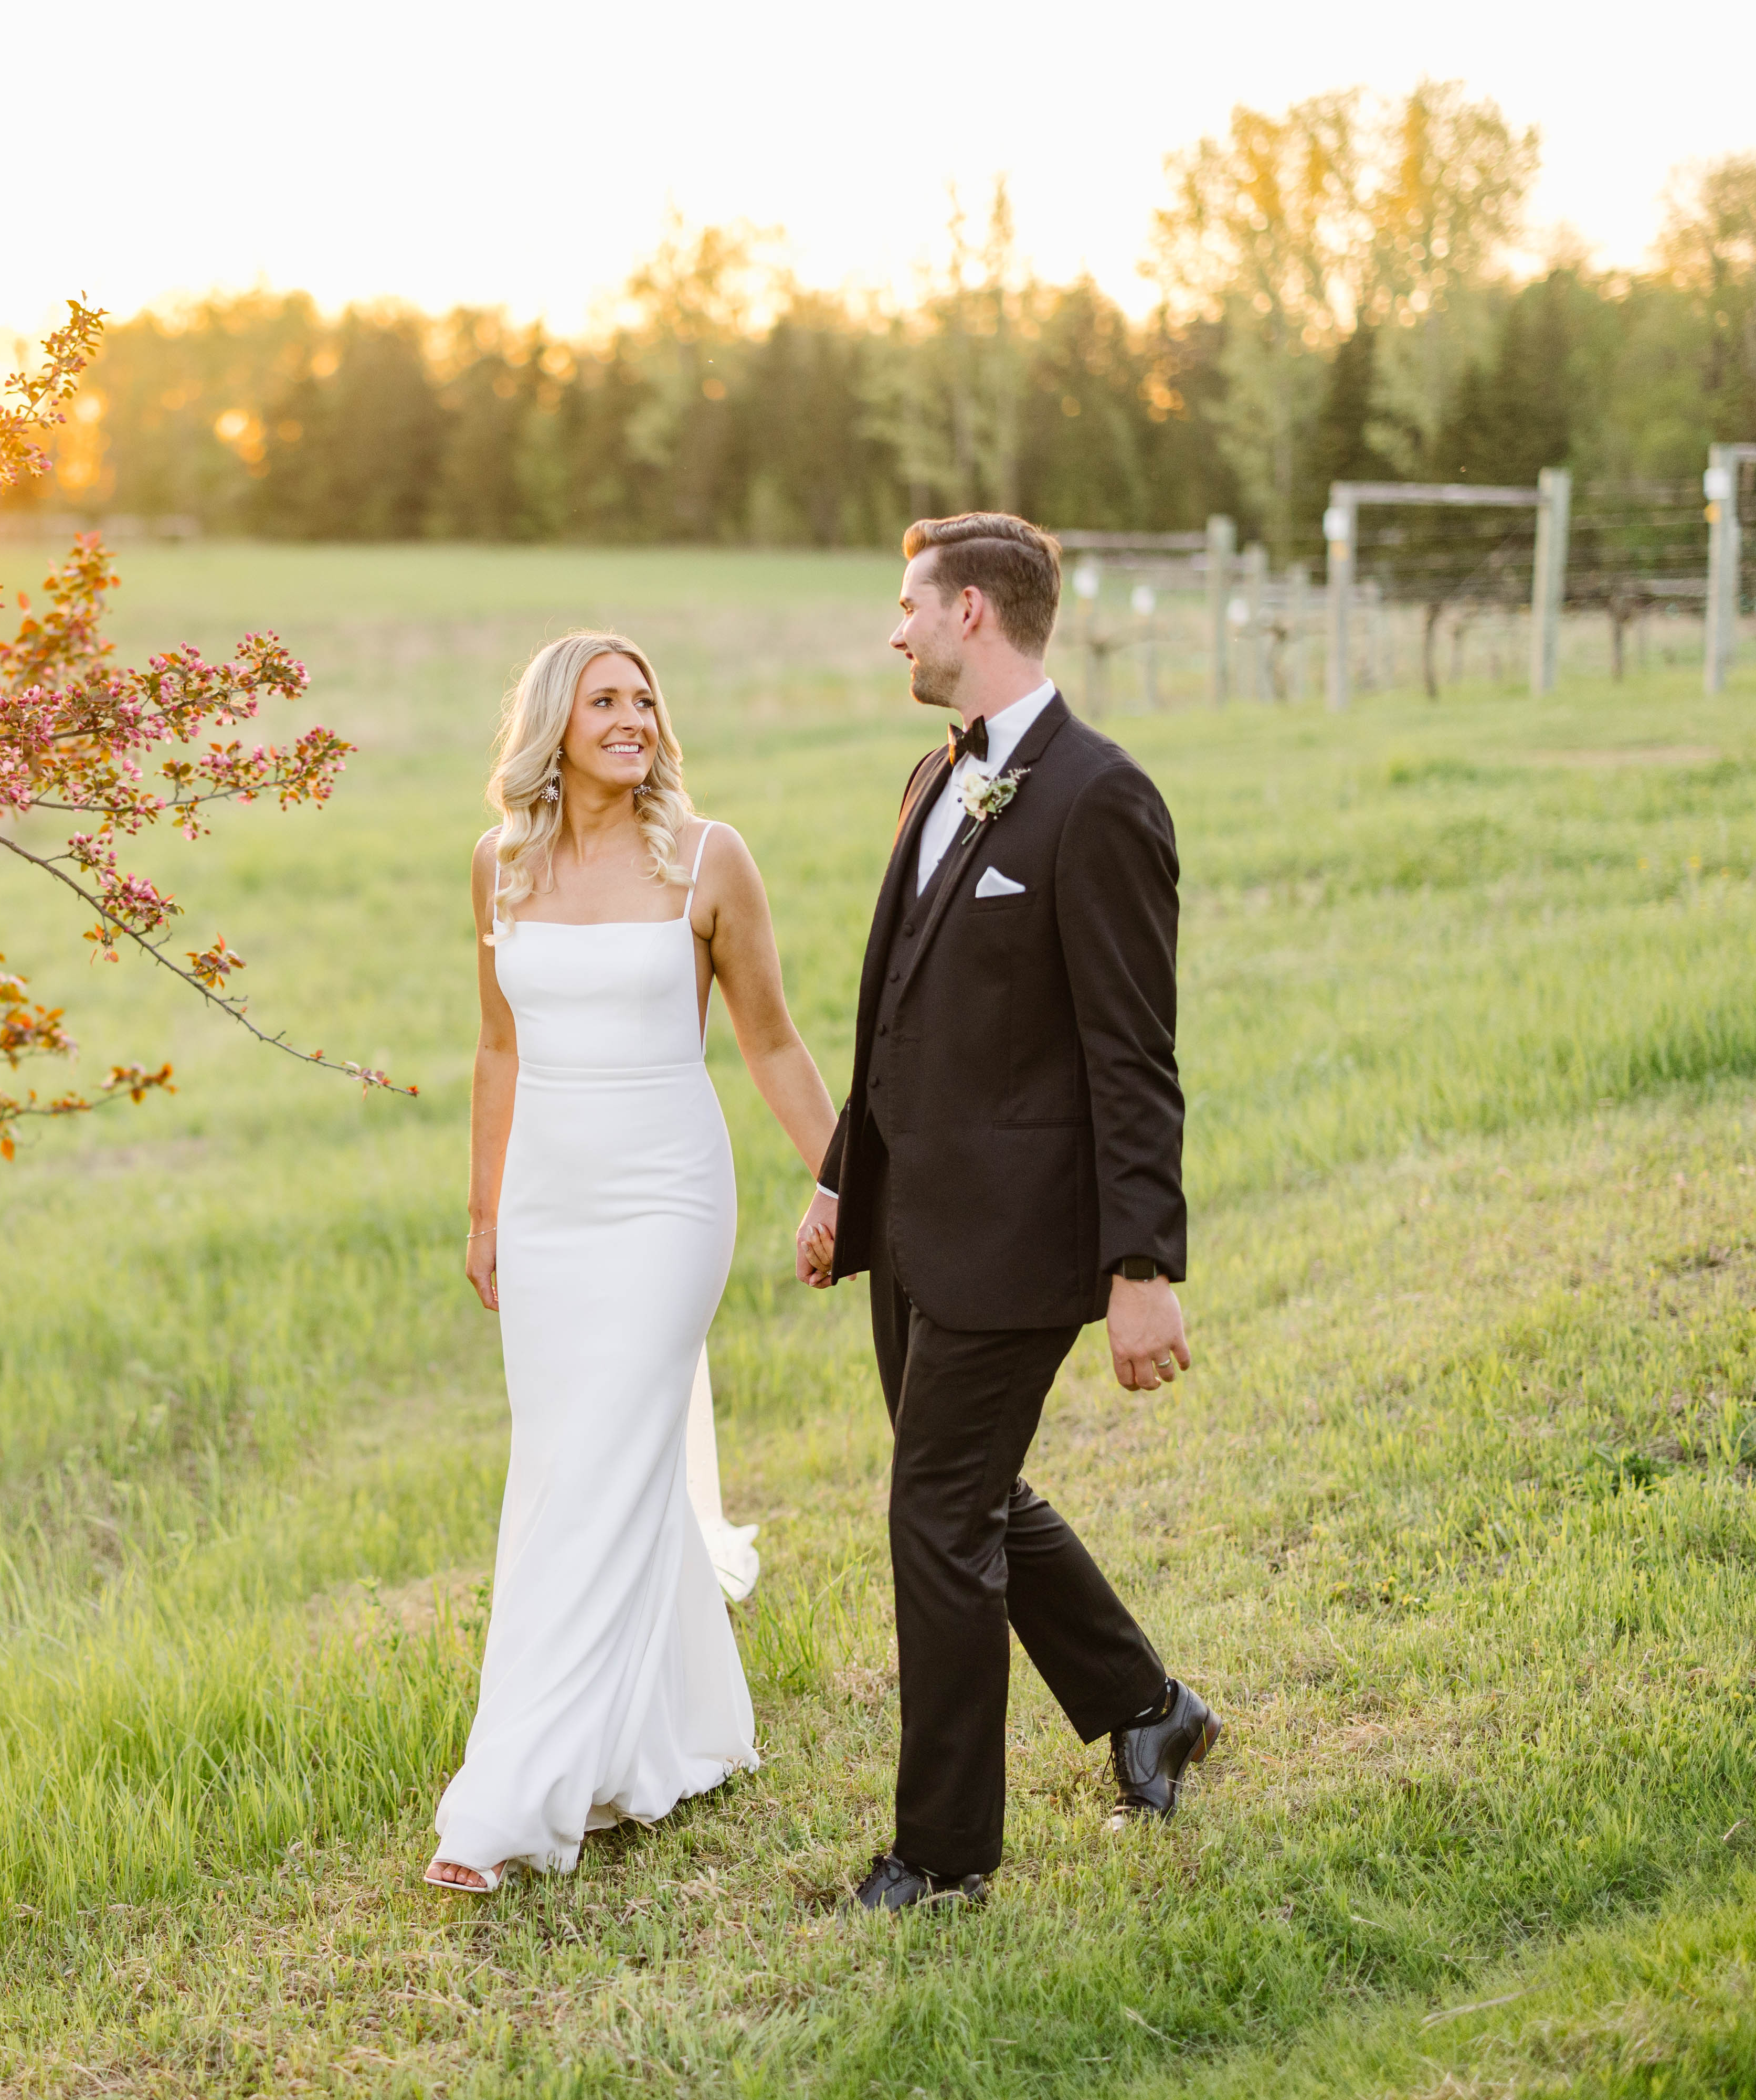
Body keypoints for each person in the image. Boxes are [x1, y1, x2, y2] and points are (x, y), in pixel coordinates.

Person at [794, 513, 1218, 1912]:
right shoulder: (937, 775)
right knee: (965, 1493)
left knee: (935, 1513)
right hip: (913, 1227)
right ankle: (1150, 1706)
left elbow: (1131, 1054)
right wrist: (844, 1180)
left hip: (1018, 1239)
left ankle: (944, 1855)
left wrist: (1141, 1264)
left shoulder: (1102, 798)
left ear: (970, 611)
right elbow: (898, 1014)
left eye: (908, 604)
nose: (896, 631)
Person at [429, 632, 840, 1893]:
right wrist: (486, 1213)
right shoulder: (499, 864)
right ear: (553, 724)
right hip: (547, 1210)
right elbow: (498, 1050)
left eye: (645, 700)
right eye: (605, 700)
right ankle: (668, 1731)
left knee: (604, 1461)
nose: (632, 719)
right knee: (571, 1464)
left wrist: (849, 1181)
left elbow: (771, 1042)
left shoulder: (710, 858)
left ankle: (512, 1795)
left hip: (669, 1201)